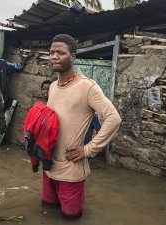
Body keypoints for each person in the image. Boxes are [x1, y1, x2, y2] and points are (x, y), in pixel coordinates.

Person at [43, 34, 121, 220]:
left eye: (60, 53)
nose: (54, 56)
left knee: (71, 217)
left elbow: (113, 118)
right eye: (52, 52)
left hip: (71, 167)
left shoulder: (87, 87)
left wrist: (89, 149)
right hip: (48, 165)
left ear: (73, 56)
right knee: (47, 210)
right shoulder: (53, 86)